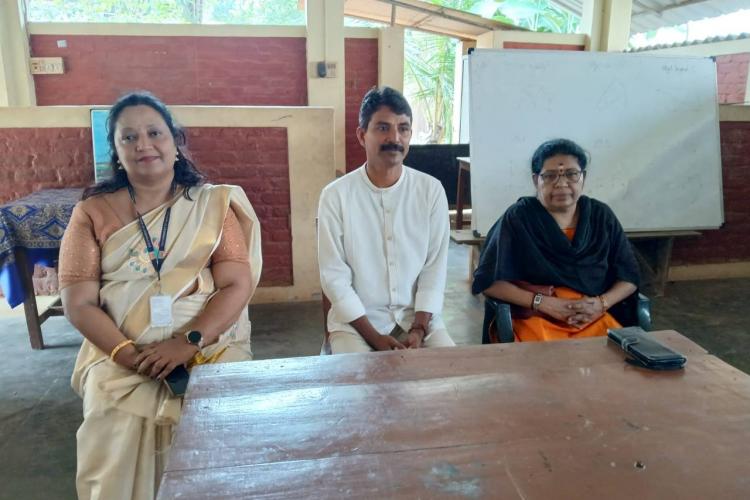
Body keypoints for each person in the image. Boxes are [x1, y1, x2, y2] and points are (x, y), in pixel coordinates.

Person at [58, 91, 262, 500]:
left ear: (176, 141)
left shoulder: (212, 204)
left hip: (207, 346)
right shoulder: (92, 211)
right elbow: (78, 303)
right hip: (119, 353)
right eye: (128, 137)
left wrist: (187, 343)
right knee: (108, 412)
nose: (143, 144)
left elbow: (236, 284)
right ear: (116, 151)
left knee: (221, 418)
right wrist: (131, 356)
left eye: (154, 132)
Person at [317, 86, 455, 353]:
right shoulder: (336, 196)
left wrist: (418, 329)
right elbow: (334, 278)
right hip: (356, 326)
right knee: (359, 388)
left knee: (454, 380)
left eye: (403, 128)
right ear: (361, 135)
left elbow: (434, 268)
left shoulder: (431, 191)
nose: (395, 138)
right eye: (383, 128)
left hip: (420, 321)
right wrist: (375, 339)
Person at [472, 138, 640, 342]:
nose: (561, 184)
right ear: (536, 180)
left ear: (583, 177)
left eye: (571, 174)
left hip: (593, 317)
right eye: (550, 176)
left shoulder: (601, 216)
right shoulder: (519, 218)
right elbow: (489, 282)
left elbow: (629, 277)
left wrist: (601, 304)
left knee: (613, 365)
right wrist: (543, 303)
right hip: (536, 318)